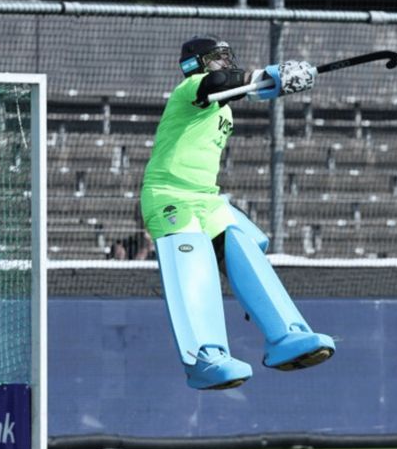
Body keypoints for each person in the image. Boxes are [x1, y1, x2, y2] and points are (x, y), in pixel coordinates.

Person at [140, 35, 336, 390]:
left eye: (227, 58)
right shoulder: (190, 88)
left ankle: (286, 336)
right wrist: (265, 75)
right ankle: (206, 359)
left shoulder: (224, 107)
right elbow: (217, 84)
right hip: (170, 195)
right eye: (217, 58)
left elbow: (234, 88)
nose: (225, 65)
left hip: (207, 198)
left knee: (244, 247)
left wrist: (273, 86)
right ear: (196, 64)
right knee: (193, 263)